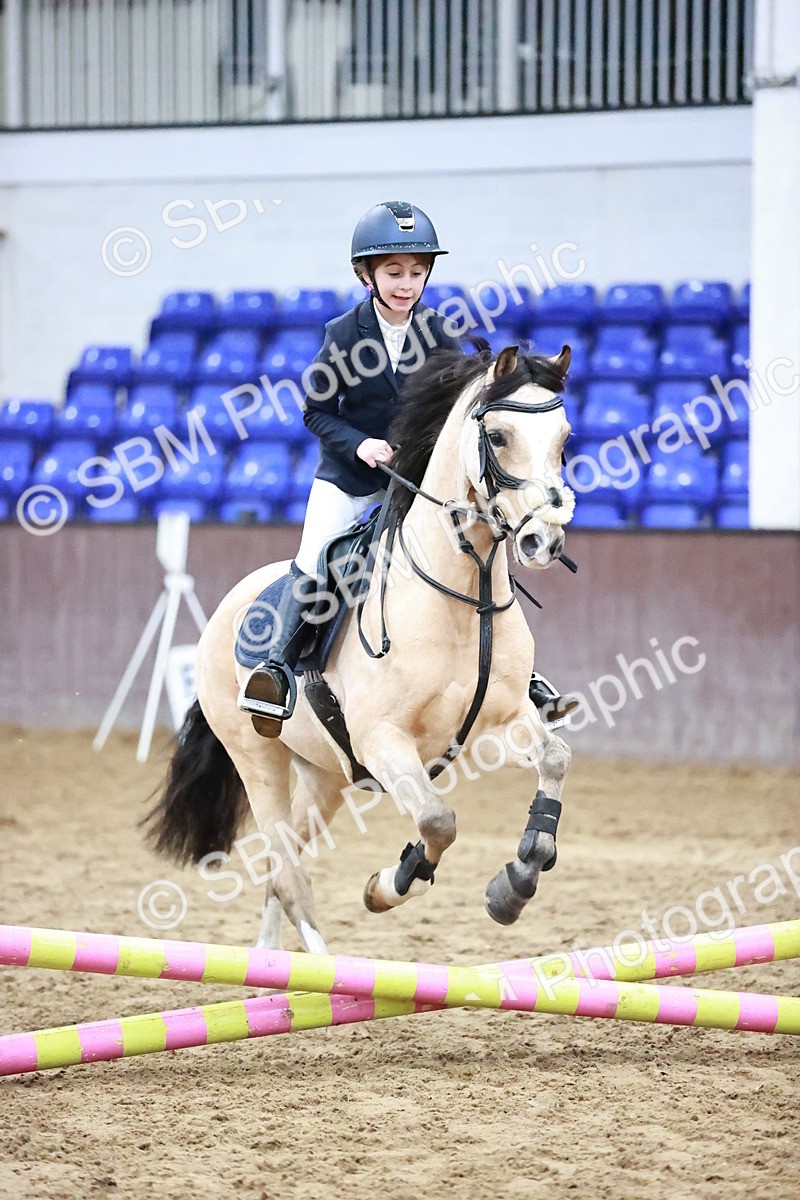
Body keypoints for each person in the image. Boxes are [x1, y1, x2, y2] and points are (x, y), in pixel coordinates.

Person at [238, 199, 577, 736]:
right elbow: (316, 411)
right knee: (316, 555)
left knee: (479, 549)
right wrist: (361, 445)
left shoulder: (441, 332)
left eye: (416, 272)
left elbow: (471, 398)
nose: (406, 283)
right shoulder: (343, 334)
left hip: (417, 482)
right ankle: (278, 666)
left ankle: (522, 676)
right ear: (367, 275)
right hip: (350, 477)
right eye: (394, 271)